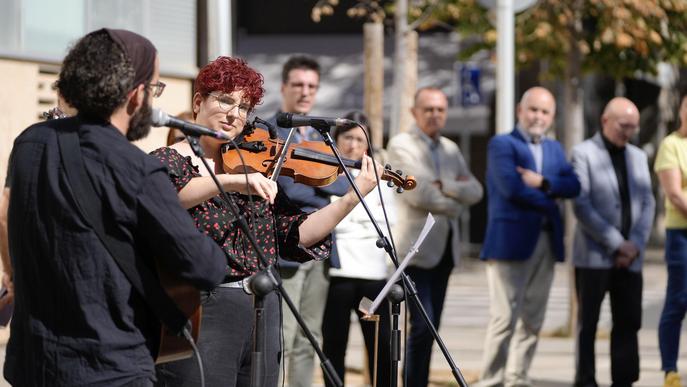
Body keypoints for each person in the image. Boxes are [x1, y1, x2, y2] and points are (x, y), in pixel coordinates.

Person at [2, 28, 228, 386]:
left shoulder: (31, 142)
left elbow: (6, 210)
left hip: (33, 363)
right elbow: (204, 267)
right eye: (154, 88)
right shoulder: (137, 169)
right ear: (136, 95)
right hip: (108, 368)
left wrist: (13, 276)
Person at [151, 56, 382, 387]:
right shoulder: (169, 160)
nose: (235, 114)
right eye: (225, 100)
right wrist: (230, 182)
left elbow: (296, 234)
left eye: (244, 106)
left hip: (263, 306)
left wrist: (351, 197)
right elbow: (165, 201)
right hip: (202, 309)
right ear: (199, 102)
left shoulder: (254, 166)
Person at [478, 86, 580, 387]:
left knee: (533, 318)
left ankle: (518, 378)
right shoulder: (502, 144)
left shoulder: (554, 149)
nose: (538, 116)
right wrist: (551, 197)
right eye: (533, 109)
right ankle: (491, 380)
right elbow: (512, 189)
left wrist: (544, 182)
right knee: (503, 319)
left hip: (546, 243)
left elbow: (573, 185)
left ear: (552, 116)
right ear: (520, 110)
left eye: (545, 111)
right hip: (509, 243)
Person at [386, 87, 483, 387]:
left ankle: (419, 381)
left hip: (444, 252)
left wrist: (445, 184)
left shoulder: (451, 149)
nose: (435, 115)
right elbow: (418, 193)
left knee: (432, 327)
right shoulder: (401, 144)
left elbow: (477, 191)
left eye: (440, 109)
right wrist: (454, 198)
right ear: (415, 112)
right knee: (421, 327)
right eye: (428, 109)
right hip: (415, 251)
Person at [267, 54, 349, 387]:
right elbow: (287, 188)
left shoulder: (320, 136)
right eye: (298, 85)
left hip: (323, 248)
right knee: (283, 335)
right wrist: (320, 186)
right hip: (287, 246)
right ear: (284, 87)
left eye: (311, 86)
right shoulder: (267, 131)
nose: (305, 92)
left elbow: (344, 182)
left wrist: (318, 183)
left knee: (309, 336)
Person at [571, 97, 655, 387]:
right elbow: (581, 205)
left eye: (633, 127)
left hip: (631, 258)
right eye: (623, 125)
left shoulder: (638, 156)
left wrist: (635, 245)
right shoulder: (583, 153)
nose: (628, 132)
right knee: (588, 325)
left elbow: (647, 201)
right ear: (605, 120)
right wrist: (617, 244)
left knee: (628, 322)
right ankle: (586, 380)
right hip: (594, 256)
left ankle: (624, 380)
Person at [321, 111, 395, 387]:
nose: (353, 145)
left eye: (360, 139)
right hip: (338, 276)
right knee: (334, 344)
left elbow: (387, 223)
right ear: (336, 141)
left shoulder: (378, 175)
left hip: (373, 277)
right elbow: (331, 222)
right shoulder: (325, 173)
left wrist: (346, 218)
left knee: (380, 345)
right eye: (347, 138)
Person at [655, 91, 687, 387]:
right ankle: (670, 370)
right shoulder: (671, 145)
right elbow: (676, 194)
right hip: (682, 234)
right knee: (678, 301)